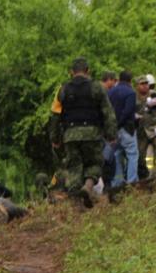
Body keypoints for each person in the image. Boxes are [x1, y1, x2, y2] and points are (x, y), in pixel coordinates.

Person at [49, 57, 117, 207]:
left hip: (70, 135)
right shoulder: (97, 87)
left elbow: (55, 115)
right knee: (95, 163)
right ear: (88, 71)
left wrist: (55, 138)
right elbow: (108, 112)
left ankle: (75, 203)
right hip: (92, 133)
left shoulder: (63, 89)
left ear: (71, 72)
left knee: (74, 167)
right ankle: (88, 186)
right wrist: (111, 134)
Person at [108, 70, 138, 187]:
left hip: (113, 130)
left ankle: (117, 182)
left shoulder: (111, 92)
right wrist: (120, 124)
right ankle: (132, 181)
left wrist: (113, 127)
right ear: (130, 80)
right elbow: (127, 111)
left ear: (119, 79)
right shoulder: (130, 93)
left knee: (116, 155)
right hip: (126, 128)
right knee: (132, 155)